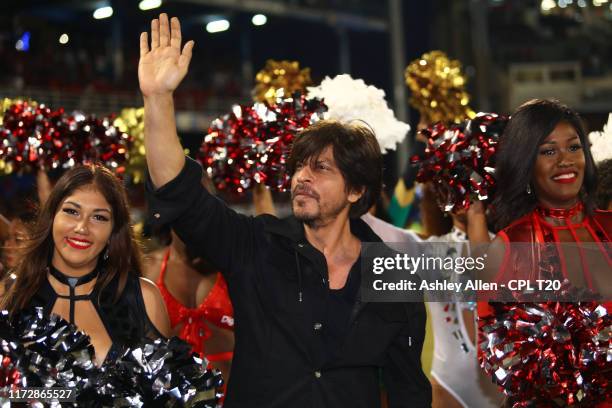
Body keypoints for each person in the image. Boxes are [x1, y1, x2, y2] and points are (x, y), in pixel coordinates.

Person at [139, 13, 431, 407]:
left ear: (356, 190)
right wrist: (158, 98)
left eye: (321, 168)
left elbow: (407, 390)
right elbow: (180, 193)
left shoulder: (395, 276)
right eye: (297, 167)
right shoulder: (255, 245)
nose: (301, 177)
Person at [479, 99, 611, 406]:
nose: (565, 160)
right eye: (549, 151)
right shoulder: (508, 247)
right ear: (526, 163)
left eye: (574, 147)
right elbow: (491, 351)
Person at [0, 164, 171, 366]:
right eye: (72, 211)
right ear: (52, 217)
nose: (82, 228)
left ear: (113, 233)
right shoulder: (8, 294)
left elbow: (164, 391)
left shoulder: (144, 298)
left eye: (99, 217)